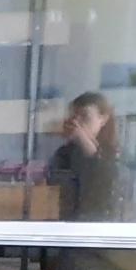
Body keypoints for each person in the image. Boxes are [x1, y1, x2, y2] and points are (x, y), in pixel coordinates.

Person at [51, 91, 121, 221]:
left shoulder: (113, 153)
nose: (77, 122)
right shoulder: (65, 153)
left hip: (99, 222)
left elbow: (106, 179)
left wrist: (83, 139)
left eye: (84, 116)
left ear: (103, 119)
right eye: (74, 117)